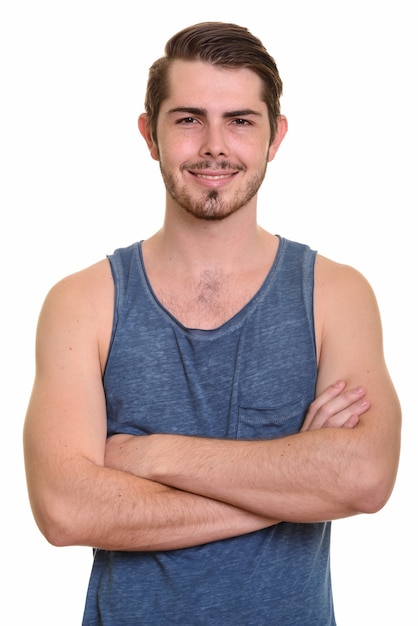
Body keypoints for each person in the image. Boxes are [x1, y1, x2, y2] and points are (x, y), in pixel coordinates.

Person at [23, 21, 401, 626]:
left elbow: (363, 478)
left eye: (241, 121)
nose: (214, 146)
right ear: (150, 134)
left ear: (275, 136)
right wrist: (296, 484)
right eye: (189, 118)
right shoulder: (83, 302)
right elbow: (65, 509)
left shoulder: (336, 294)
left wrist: (148, 456)